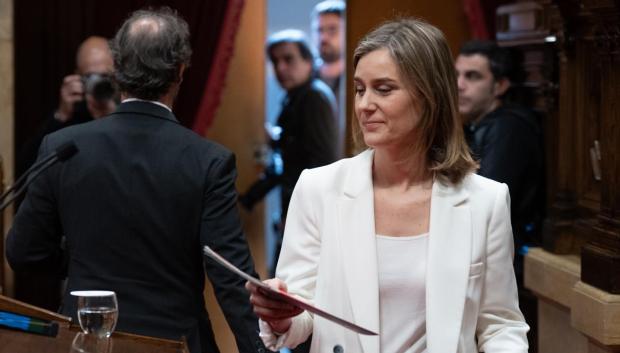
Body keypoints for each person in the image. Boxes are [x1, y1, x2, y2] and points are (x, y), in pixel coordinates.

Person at [247, 18, 529, 353]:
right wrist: (282, 318)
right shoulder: (319, 188)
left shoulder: (486, 200)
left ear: (429, 96)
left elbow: (500, 326)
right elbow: (302, 312)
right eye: (359, 88)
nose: (364, 105)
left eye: (384, 89)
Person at [7, 8, 268, 353]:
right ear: (180, 71)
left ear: (116, 70)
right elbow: (231, 278)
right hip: (175, 342)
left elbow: (23, 252)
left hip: (85, 341)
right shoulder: (208, 161)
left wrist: (85, 259)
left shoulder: (64, 147)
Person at [456, 39, 544, 352]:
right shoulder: (476, 125)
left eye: (473, 76)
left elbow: (480, 201)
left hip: (507, 267)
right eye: (457, 75)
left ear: (501, 85)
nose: (460, 85)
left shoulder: (509, 127)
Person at [238, 29, 338, 275]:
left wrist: (300, 214)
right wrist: (248, 199)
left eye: (288, 59)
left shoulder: (314, 97)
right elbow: (285, 163)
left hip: (309, 218)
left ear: (308, 60)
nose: (280, 67)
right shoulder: (294, 98)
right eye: (275, 61)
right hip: (296, 213)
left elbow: (321, 163)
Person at [18, 36, 118, 178]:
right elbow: (27, 168)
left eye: (104, 76)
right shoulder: (72, 112)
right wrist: (61, 116)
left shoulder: (126, 108)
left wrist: (115, 118)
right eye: (90, 77)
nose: (98, 83)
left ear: (117, 76)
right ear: (78, 76)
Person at [311, 1, 345, 97]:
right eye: (319, 30)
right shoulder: (304, 78)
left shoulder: (358, 77)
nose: (323, 38)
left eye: (332, 29)